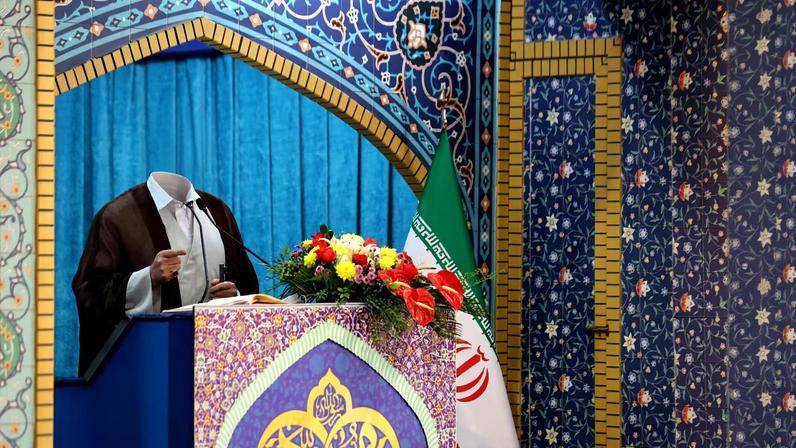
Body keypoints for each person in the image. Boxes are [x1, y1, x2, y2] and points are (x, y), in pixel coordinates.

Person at [72, 172, 258, 373]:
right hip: (149, 364)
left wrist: (234, 296)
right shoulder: (119, 216)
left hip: (216, 361)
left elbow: (246, 282)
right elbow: (90, 292)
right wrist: (148, 277)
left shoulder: (216, 210)